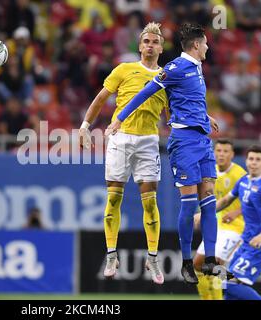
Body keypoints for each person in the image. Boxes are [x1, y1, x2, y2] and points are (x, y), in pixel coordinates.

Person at [105, 23, 220, 284]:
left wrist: (205, 116)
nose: (208, 47)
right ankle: (188, 262)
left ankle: (210, 260)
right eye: (205, 43)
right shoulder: (176, 68)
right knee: (189, 204)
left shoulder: (196, 68)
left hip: (202, 139)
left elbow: (186, 100)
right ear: (196, 45)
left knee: (210, 199)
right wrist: (119, 119)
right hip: (183, 141)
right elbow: (146, 92)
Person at [79, 22, 169, 284]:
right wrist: (85, 127)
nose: (150, 45)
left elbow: (173, 114)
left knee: (150, 202)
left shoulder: (167, 77)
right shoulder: (124, 69)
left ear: (161, 48)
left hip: (149, 141)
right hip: (120, 138)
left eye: (155, 42)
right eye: (146, 41)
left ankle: (152, 257)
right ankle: (111, 254)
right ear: (140, 46)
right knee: (114, 199)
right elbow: (100, 99)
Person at [216, 145, 261, 300]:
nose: (253, 163)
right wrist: (203, 213)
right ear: (246, 161)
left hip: (260, 246)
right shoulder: (243, 181)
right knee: (227, 287)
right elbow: (225, 201)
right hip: (245, 243)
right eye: (251, 159)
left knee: (226, 285)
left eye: (258, 159)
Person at [193, 139, 246, 299]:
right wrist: (201, 214)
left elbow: (252, 202)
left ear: (232, 154)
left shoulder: (240, 174)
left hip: (235, 227)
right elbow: (210, 200)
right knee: (197, 265)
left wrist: (237, 212)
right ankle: (229, 285)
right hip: (216, 227)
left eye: (225, 151)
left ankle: (234, 286)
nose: (221, 154)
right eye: (219, 151)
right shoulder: (209, 173)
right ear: (214, 152)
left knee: (214, 265)